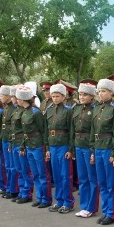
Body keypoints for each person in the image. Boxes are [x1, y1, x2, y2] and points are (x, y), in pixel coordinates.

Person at [90, 79, 114, 225]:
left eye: (104, 91)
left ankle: (112, 213)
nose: (100, 94)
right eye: (99, 91)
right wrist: (92, 150)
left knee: (110, 183)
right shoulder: (96, 108)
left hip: (108, 147)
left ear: (111, 92)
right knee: (101, 182)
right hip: (98, 147)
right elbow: (92, 131)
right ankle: (105, 210)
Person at [17, 85, 51, 207]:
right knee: (35, 173)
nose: (17, 100)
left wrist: (46, 147)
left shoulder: (36, 113)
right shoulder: (24, 112)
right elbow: (24, 132)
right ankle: (40, 197)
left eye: (18, 98)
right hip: (29, 145)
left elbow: (44, 131)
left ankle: (46, 199)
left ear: (23, 99)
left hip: (37, 145)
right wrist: (22, 146)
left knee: (42, 173)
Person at [45, 83, 75, 213]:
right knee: (56, 175)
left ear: (64, 96)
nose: (55, 98)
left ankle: (68, 202)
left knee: (65, 175)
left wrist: (70, 149)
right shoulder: (49, 110)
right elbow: (47, 130)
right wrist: (47, 148)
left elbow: (72, 131)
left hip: (63, 145)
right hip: (52, 145)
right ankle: (59, 200)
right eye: (53, 96)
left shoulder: (68, 111)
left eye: (58, 96)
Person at [72, 83, 99, 218]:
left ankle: (91, 207)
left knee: (91, 178)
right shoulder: (76, 109)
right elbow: (73, 129)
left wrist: (93, 150)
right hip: (78, 144)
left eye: (85, 94)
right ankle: (84, 206)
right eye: (80, 94)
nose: (81, 97)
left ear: (92, 96)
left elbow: (95, 131)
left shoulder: (95, 109)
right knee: (82, 177)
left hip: (89, 145)